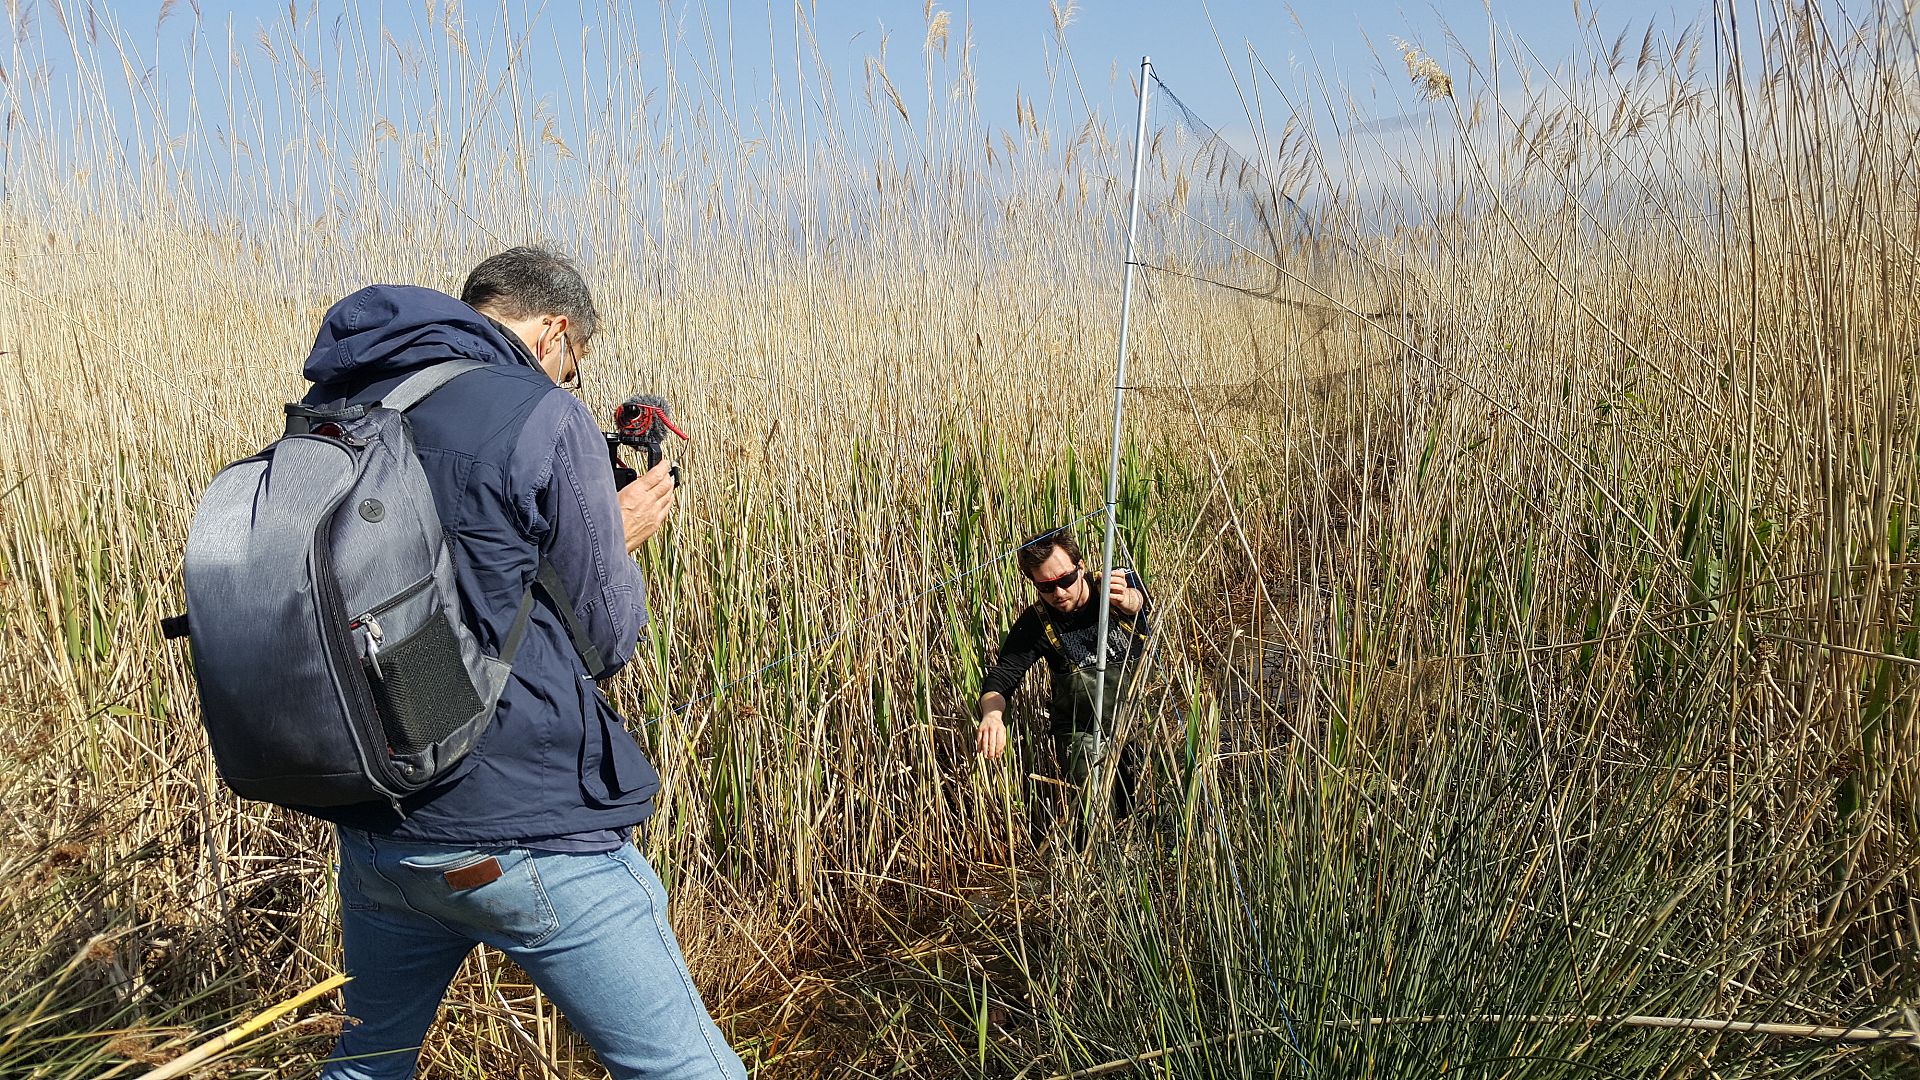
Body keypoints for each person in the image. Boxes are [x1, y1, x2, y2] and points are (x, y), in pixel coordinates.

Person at [299, 248, 745, 1080]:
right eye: (576, 364)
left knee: (369, 1062)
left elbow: (423, 606)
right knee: (686, 1068)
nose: (572, 380)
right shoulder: (541, 412)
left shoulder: (347, 401)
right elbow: (608, 638)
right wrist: (618, 531)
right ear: (557, 332)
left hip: (380, 828)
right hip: (524, 832)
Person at [975, 526, 1151, 825]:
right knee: (1092, 809)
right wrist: (992, 715)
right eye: (1045, 587)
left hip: (1137, 718)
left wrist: (1129, 602)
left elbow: (1142, 602)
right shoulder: (1035, 623)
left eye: (1065, 580)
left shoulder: (1115, 584)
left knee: (1145, 804)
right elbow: (1003, 677)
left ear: (1080, 567)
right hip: (1081, 731)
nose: (1058, 593)